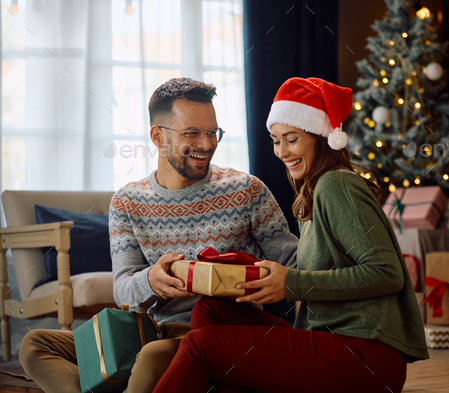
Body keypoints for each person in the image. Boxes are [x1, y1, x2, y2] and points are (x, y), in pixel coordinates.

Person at [19, 78, 299, 393]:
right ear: (158, 137)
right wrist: (152, 280)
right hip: (145, 331)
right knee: (35, 344)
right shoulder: (127, 201)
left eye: (212, 132)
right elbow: (123, 288)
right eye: (192, 133)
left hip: (214, 334)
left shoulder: (246, 190)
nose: (207, 144)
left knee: (151, 357)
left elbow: (294, 263)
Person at [152, 77, 429, 393]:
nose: (281, 151)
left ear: (319, 137)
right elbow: (319, 269)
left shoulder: (336, 186)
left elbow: (387, 273)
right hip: (334, 342)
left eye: (292, 139)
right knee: (211, 308)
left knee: (201, 346)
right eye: (275, 140)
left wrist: (290, 283)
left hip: (367, 358)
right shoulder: (313, 191)